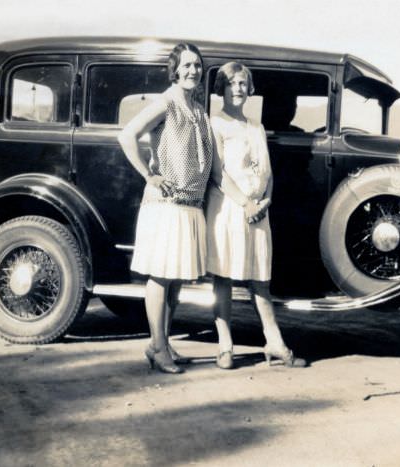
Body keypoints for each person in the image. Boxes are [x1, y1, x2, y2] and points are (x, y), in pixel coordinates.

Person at [118, 43, 213, 374]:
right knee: (161, 276)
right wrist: (150, 174)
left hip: (190, 205)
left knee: (175, 280)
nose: (192, 71)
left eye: (197, 65)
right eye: (186, 65)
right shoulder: (167, 102)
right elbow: (127, 135)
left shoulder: (198, 108)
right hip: (166, 205)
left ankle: (163, 343)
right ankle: (157, 346)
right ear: (175, 70)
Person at [206, 61, 306, 369]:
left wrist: (265, 201)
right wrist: (245, 204)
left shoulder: (256, 126)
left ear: (249, 89)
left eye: (242, 83)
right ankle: (225, 346)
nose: (237, 89)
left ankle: (274, 343)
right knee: (223, 278)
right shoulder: (216, 124)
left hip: (259, 211)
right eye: (231, 83)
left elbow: (268, 171)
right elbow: (217, 173)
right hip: (228, 209)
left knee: (260, 280)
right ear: (221, 88)